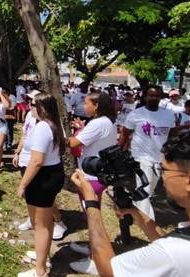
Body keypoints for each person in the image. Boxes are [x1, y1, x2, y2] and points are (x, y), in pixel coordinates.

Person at [71, 131, 190, 276]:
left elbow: (109, 269)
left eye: (164, 170)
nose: (163, 178)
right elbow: (176, 243)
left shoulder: (174, 253)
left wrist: (91, 202)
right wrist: (139, 217)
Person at [66, 92, 118, 274]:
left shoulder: (97, 123)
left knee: (92, 217)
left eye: (86, 103)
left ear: (96, 105)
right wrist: (82, 128)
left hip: (92, 178)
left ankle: (96, 260)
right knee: (90, 214)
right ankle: (91, 247)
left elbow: (73, 143)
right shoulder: (106, 122)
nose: (83, 106)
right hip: (97, 174)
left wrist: (74, 133)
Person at [15, 91, 66, 277]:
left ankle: (40, 271)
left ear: (42, 108)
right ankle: (41, 256)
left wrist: (22, 184)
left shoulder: (42, 127)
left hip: (43, 178)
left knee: (40, 226)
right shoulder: (52, 125)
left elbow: (36, 161)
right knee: (45, 223)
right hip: (52, 173)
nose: (30, 107)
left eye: (33, 105)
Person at [118, 85, 177, 220]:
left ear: (161, 97)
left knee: (149, 190)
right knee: (144, 189)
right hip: (141, 157)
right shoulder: (136, 114)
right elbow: (125, 134)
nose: (153, 98)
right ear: (144, 97)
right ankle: (149, 223)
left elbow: (173, 135)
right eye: (150, 95)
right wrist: (118, 150)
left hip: (159, 158)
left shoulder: (168, 114)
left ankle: (132, 210)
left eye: (157, 96)